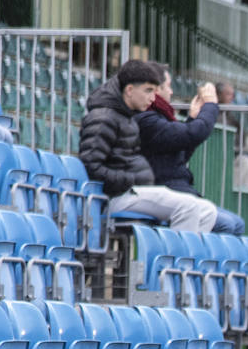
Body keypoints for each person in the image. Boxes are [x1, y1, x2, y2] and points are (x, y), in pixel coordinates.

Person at [78, 60, 218, 232]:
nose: (153, 98)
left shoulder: (126, 116)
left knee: (207, 211)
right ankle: (170, 258)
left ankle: (187, 258)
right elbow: (90, 167)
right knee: (188, 207)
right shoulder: (103, 118)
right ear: (129, 90)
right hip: (113, 196)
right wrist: (130, 179)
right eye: (148, 91)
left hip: (133, 191)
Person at [135, 68, 244, 235]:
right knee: (227, 224)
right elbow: (194, 133)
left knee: (237, 223)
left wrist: (193, 118)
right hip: (166, 190)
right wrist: (210, 105)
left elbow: (180, 155)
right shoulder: (147, 119)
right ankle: (198, 260)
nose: (171, 91)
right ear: (157, 90)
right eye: (169, 86)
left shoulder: (161, 117)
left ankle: (204, 261)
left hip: (177, 189)